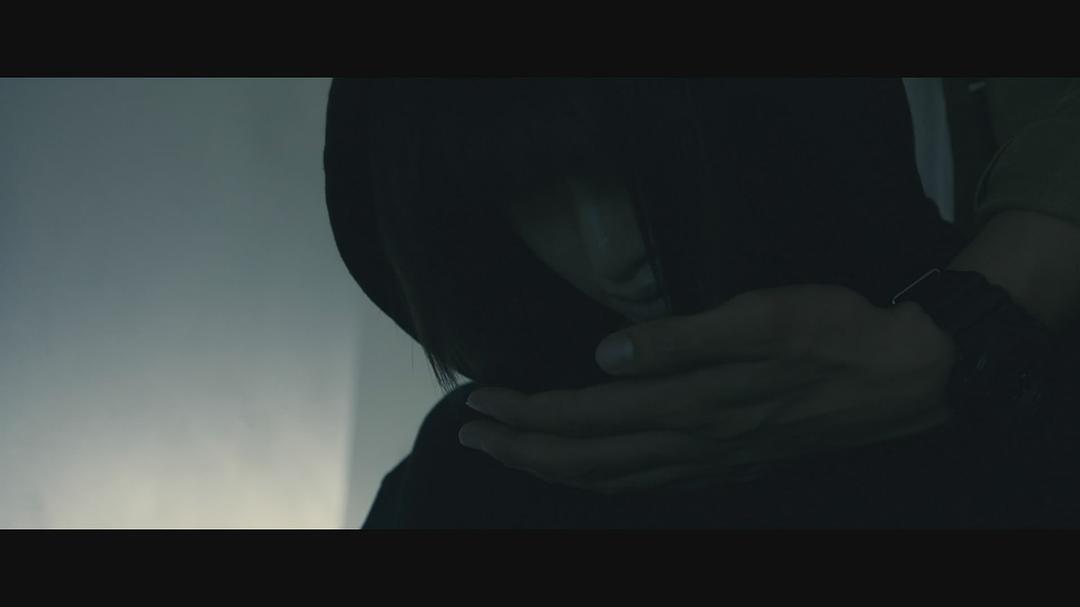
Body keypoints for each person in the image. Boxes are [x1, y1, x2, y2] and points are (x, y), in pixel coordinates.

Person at [324, 78, 1080, 528]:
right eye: (537, 196)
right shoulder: (470, 475)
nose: (612, 249)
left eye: (638, 171)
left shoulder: (1025, 393)